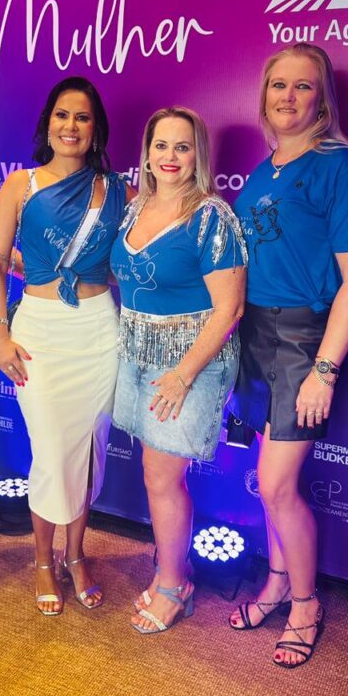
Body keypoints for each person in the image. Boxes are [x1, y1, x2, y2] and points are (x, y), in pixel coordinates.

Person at [228, 43, 348, 667]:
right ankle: (277, 583)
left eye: (303, 86)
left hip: (301, 340)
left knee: (276, 484)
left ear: (323, 99)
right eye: (278, 85)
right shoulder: (264, 170)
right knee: (267, 481)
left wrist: (324, 369)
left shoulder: (343, 169)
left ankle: (306, 604)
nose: (287, 97)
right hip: (253, 335)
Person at [0, 76, 132, 615]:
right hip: (39, 333)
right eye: (62, 115)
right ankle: (43, 560)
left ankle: (76, 554)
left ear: (96, 129)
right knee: (50, 452)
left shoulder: (118, 191)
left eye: (83, 117)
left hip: (98, 331)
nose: (71, 126)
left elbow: (136, 259)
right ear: (48, 123)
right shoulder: (19, 185)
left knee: (87, 450)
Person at [110, 106, 247, 634]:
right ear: (146, 154)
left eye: (182, 147)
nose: (170, 156)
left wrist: (183, 374)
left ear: (198, 156)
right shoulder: (134, 208)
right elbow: (128, 275)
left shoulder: (211, 217)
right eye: (161, 145)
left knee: (162, 477)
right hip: (136, 351)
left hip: (190, 361)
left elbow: (229, 309)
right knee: (155, 474)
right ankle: (173, 566)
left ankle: (173, 586)